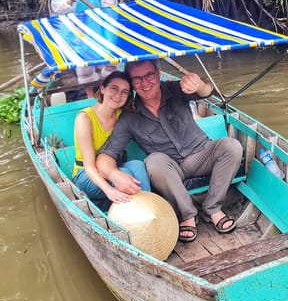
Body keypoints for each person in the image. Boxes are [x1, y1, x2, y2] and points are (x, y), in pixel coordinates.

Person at [97, 60, 243, 243]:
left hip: (202, 153)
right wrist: (114, 174)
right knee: (154, 161)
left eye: (149, 75)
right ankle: (188, 215)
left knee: (232, 146)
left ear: (158, 74)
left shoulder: (175, 89)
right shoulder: (130, 116)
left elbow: (207, 92)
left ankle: (212, 208)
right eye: (137, 79)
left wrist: (198, 82)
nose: (145, 83)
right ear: (132, 84)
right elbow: (105, 156)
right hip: (170, 169)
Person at [72, 71, 150, 208]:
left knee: (137, 165)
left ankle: (149, 207)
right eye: (114, 88)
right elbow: (89, 167)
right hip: (86, 174)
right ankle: (135, 216)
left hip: (114, 165)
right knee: (124, 174)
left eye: (124, 92)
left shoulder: (122, 115)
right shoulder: (85, 118)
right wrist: (109, 191)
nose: (118, 95)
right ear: (102, 89)